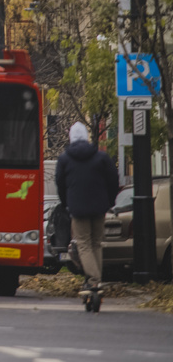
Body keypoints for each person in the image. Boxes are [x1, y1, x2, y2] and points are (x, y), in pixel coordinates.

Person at [56, 121, 119, 291]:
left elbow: (60, 184)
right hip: (99, 208)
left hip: (77, 209)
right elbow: (113, 180)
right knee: (96, 243)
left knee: (83, 243)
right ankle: (95, 279)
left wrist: (66, 204)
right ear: (86, 137)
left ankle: (93, 279)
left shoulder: (64, 159)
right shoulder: (101, 157)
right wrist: (110, 201)